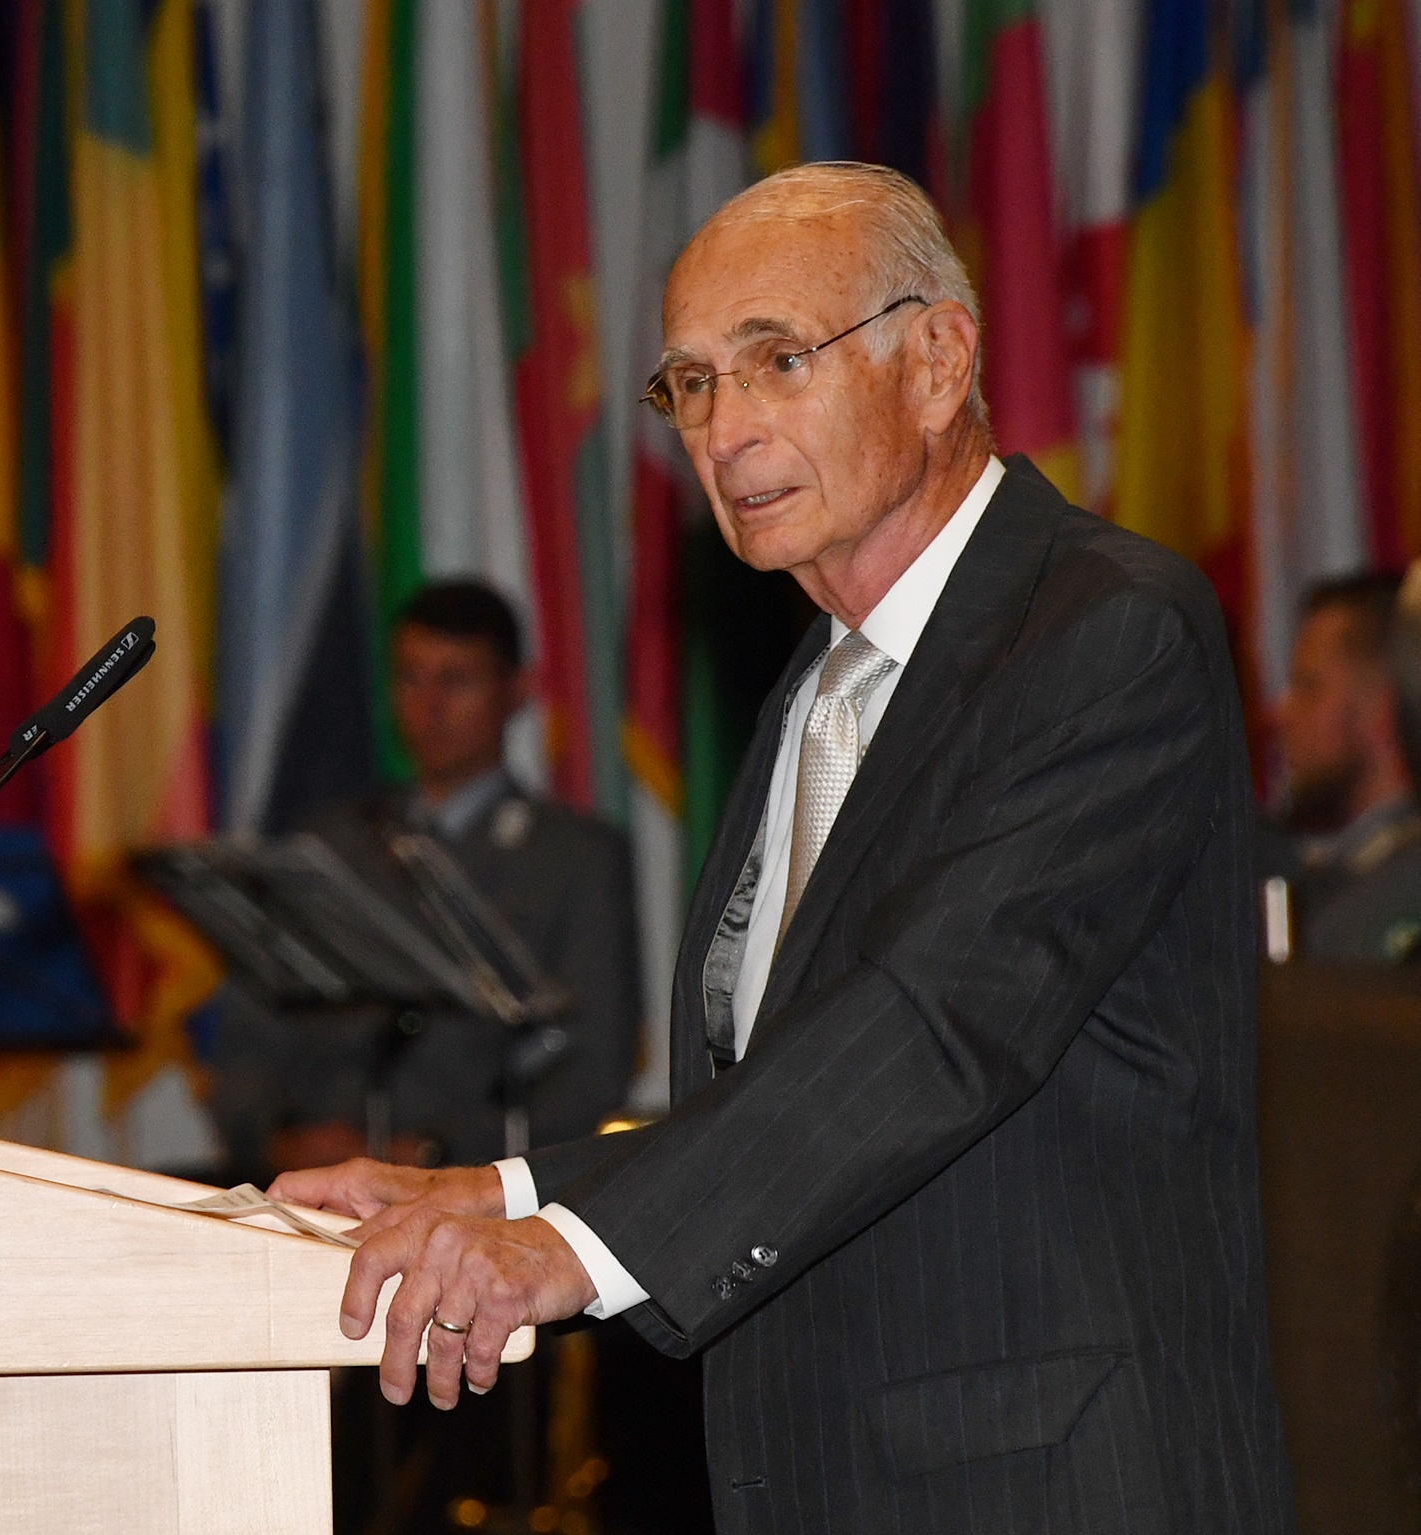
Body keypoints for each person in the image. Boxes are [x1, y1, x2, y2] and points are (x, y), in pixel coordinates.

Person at [273, 163, 1291, 1533]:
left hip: (1047, 1476)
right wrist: (492, 1185)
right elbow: (779, 1085)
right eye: (689, 384)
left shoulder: (1103, 633)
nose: (724, 428)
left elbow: (933, 1022)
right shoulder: (815, 689)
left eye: (774, 360)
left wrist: (561, 1251)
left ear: (936, 359)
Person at [210, 579, 640, 1182]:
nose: (429, 706)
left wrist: (438, 1152)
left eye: (457, 680)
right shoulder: (327, 844)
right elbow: (249, 1035)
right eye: (410, 677)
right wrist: (273, 1138)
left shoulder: (575, 857)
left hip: (471, 1190)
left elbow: (592, 1069)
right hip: (304, 1176)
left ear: (515, 690)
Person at [1270, 574, 1421, 959]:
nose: (1282, 713)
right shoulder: (1307, 869)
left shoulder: (1384, 905)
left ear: (1379, 709)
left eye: (1308, 685)